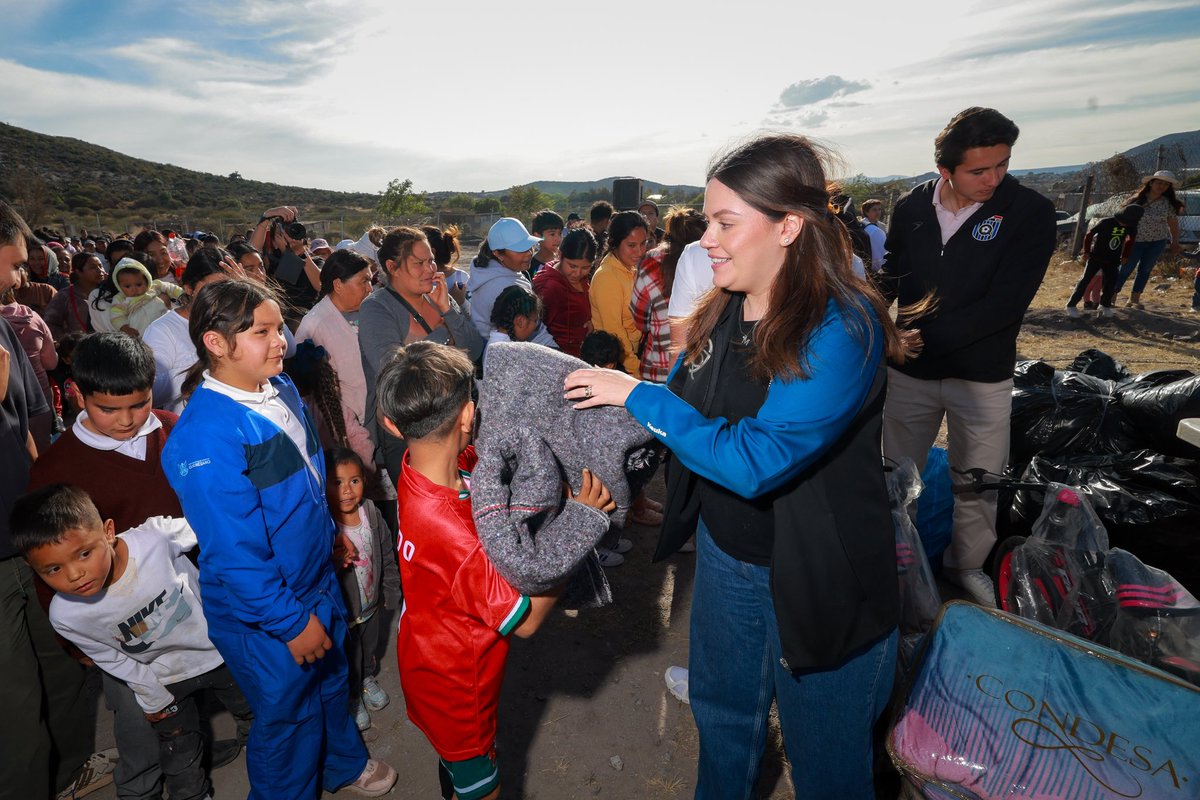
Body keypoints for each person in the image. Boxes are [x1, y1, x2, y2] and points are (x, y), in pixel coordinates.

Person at [564, 132, 909, 798]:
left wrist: (642, 397)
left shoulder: (844, 326)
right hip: (730, 560)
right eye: (708, 220)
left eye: (725, 222)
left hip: (820, 577)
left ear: (788, 226)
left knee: (828, 764)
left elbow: (756, 459)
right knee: (723, 725)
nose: (706, 240)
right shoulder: (724, 305)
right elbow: (689, 414)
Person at [162, 280, 397, 798]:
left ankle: (341, 766)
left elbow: (311, 484)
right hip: (266, 612)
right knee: (288, 716)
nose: (281, 342)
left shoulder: (282, 388)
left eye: (279, 328)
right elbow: (235, 553)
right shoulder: (205, 438)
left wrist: (328, 534)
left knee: (333, 683)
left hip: (316, 579)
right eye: (262, 332)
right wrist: (291, 624)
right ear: (216, 344)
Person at [376, 341, 614, 800]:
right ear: (468, 416)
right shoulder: (458, 539)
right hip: (459, 693)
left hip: (424, 661)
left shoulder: (413, 474)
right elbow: (526, 623)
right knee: (483, 789)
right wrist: (576, 530)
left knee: (455, 769)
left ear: (391, 424)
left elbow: (479, 473)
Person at [877, 107, 1057, 607]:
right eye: (980, 170)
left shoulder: (1029, 212)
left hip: (981, 373)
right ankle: (895, 554)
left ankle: (966, 565)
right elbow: (891, 272)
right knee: (896, 471)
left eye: (1002, 164)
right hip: (909, 369)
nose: (994, 178)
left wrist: (913, 338)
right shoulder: (912, 205)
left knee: (979, 479)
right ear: (946, 171)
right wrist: (874, 319)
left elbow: (1005, 304)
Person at [28, 331, 197, 800]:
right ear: (79, 395)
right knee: (139, 718)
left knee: (212, 684)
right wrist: (73, 640)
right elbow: (47, 563)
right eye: (108, 409)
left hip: (195, 600)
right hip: (121, 625)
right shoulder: (55, 469)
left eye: (138, 404)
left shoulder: (172, 428)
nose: (126, 420)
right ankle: (139, 786)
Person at [12, 484, 254, 800]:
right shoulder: (65, 615)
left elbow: (211, 529)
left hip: (222, 655)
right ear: (34, 569)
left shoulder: (154, 538)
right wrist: (152, 695)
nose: (75, 575)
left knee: (258, 713)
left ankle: (276, 759)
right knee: (179, 755)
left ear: (108, 532)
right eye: (54, 569)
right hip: (165, 680)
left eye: (84, 553)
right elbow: (112, 659)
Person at [0, 200, 116, 800]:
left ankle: (71, 771)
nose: (21, 278)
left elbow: (30, 419)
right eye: (15, 263)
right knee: (14, 706)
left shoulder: (2, 322)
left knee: (65, 667)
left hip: (29, 535)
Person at [359, 226, 483, 482]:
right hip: (411, 432)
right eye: (419, 263)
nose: (430, 269)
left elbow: (475, 351)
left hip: (457, 424)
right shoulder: (377, 307)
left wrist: (448, 311)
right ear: (393, 267)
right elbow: (393, 370)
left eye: (431, 260)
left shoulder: (438, 297)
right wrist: (442, 336)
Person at [325, 448, 401, 732]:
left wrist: (391, 589)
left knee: (368, 648)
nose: (347, 490)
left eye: (354, 481)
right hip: (342, 613)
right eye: (337, 482)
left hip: (370, 606)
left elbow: (386, 550)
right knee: (345, 655)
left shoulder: (370, 512)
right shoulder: (325, 525)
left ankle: (366, 678)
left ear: (364, 482)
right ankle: (352, 695)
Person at [296, 248, 376, 472]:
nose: (370, 288)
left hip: (376, 416)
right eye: (364, 281)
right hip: (347, 429)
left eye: (371, 281)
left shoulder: (371, 312)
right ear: (338, 284)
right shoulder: (314, 325)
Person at [142, 248, 239, 413]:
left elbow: (288, 348)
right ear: (188, 288)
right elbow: (151, 393)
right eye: (212, 288)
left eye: (227, 288)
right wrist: (205, 366)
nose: (220, 296)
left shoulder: (238, 318)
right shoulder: (162, 330)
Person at [631, 207, 706, 382]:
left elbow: (639, 318)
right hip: (702, 368)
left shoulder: (651, 261)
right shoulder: (714, 260)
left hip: (657, 366)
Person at [1113, 170, 1185, 309]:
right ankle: (1111, 296)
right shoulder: (1136, 200)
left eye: (1165, 184)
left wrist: (1174, 242)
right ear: (1151, 183)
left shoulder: (1167, 203)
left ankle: (1134, 300)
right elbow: (1122, 220)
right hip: (1134, 241)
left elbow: (1173, 224)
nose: (1161, 186)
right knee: (1125, 269)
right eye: (1159, 183)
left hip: (1157, 242)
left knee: (1145, 270)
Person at [590, 210, 648, 374]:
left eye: (643, 243)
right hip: (618, 364)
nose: (639, 251)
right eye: (631, 245)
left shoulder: (631, 268)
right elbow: (614, 331)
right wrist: (635, 370)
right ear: (614, 242)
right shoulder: (606, 277)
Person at [1, 282, 57, 450]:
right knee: (42, 455)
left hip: (7, 403)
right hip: (38, 398)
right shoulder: (33, 317)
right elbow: (51, 363)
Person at [466, 218, 541, 338]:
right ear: (498, 253)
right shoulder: (508, 287)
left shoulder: (487, 269)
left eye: (529, 246)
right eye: (520, 249)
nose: (529, 253)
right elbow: (530, 328)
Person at [1066, 205, 1144, 318]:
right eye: (1124, 221)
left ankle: (1105, 305)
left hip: (1113, 259)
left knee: (1111, 283)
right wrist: (1086, 251)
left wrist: (1126, 255)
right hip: (1096, 257)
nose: (1125, 224)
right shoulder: (1106, 222)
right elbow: (1089, 235)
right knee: (1085, 281)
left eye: (1128, 223)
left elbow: (1130, 241)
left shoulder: (1132, 227)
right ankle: (1071, 305)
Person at [532, 227, 596, 357]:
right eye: (572, 266)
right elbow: (537, 331)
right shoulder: (550, 288)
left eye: (585, 268)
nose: (578, 274)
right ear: (560, 255)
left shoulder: (578, 279)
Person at [106, 257, 184, 337]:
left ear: (147, 280)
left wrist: (182, 295)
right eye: (127, 286)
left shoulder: (154, 286)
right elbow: (116, 316)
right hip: (140, 333)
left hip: (163, 323)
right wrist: (125, 327)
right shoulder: (120, 299)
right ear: (119, 286)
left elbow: (170, 287)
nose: (134, 289)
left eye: (139, 284)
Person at [44, 251, 105, 339]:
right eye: (93, 267)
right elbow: (50, 324)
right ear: (79, 272)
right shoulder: (64, 296)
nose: (100, 271)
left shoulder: (107, 294)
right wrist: (69, 341)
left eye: (100, 266)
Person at [421, 224, 468, 307]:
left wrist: (460, 302)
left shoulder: (460, 278)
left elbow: (473, 317)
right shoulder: (461, 276)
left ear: (431, 252)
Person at [529, 209, 564, 278]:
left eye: (560, 233)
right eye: (552, 234)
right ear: (537, 236)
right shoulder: (530, 266)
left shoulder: (564, 262)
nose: (558, 238)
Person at [860, 198, 888, 272]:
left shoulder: (882, 226)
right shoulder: (861, 225)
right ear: (866, 212)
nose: (878, 212)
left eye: (879, 209)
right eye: (874, 210)